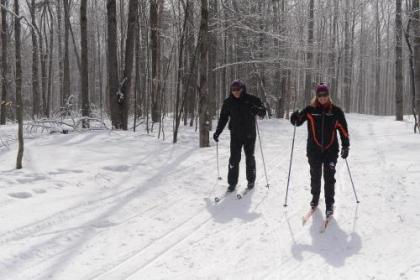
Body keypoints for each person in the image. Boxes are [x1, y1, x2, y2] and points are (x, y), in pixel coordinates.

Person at [290, 83, 350, 216]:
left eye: (325, 95)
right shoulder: (310, 110)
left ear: (329, 95)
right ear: (316, 96)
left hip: (331, 150)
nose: (322, 97)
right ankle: (315, 198)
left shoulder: (336, 111)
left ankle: (329, 204)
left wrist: (346, 146)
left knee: (329, 178)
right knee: (315, 176)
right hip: (314, 150)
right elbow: (298, 122)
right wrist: (294, 118)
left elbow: (344, 131)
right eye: (320, 95)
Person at [213, 80, 266, 192]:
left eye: (238, 89)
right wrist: (218, 132)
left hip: (249, 134)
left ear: (242, 89)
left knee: (249, 157)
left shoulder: (252, 99)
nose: (236, 92)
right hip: (235, 134)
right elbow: (223, 118)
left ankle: (251, 181)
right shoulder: (228, 102)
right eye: (233, 90)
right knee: (234, 159)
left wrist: (257, 110)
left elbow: (263, 112)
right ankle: (232, 183)